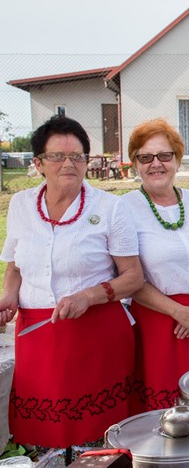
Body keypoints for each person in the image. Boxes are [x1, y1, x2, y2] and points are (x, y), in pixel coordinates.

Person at [0, 115, 143, 450]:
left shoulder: (110, 208)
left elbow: (133, 277)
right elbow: (15, 266)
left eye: (78, 156)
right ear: (38, 163)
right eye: (57, 156)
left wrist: (89, 296)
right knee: (43, 437)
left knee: (95, 440)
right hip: (38, 334)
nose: (69, 164)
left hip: (95, 334)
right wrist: (9, 296)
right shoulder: (21, 205)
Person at [121, 119, 189, 413]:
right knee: (163, 412)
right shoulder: (124, 208)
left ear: (177, 160)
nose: (156, 164)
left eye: (165, 156)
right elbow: (129, 276)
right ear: (136, 164)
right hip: (158, 322)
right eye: (146, 157)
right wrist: (178, 312)